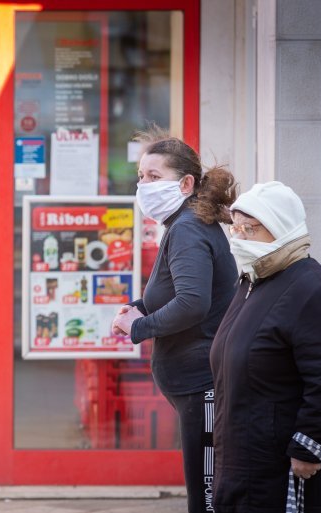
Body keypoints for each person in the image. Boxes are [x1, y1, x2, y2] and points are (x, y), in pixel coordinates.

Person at [210, 181, 321, 513]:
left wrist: (310, 446)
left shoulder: (314, 291)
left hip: (285, 471)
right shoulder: (253, 282)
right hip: (246, 463)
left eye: (248, 228)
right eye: (235, 227)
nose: (239, 238)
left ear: (278, 226)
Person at [111, 129, 238, 513]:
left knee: (207, 496)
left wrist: (139, 327)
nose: (143, 185)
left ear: (186, 183)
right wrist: (141, 308)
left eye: (154, 177)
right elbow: (182, 293)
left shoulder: (187, 229)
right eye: (141, 176)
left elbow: (192, 304)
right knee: (205, 489)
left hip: (202, 383)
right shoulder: (183, 224)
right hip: (194, 382)